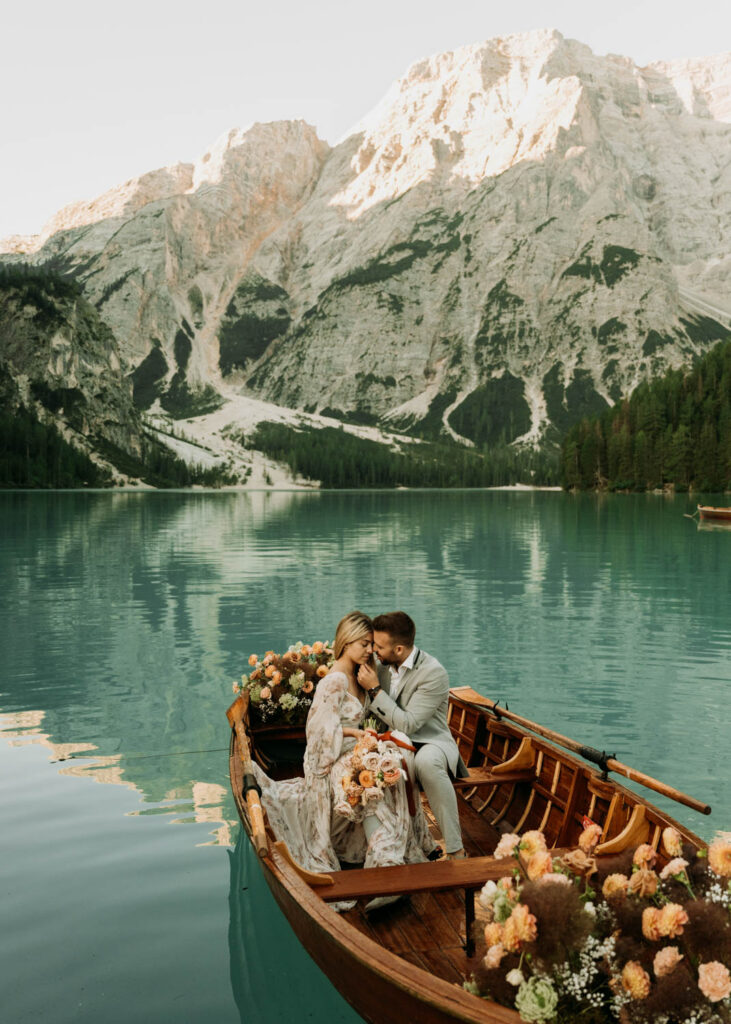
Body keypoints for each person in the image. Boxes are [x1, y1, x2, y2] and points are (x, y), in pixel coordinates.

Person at [251, 611, 435, 911]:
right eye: (364, 643)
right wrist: (351, 732)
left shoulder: (361, 676)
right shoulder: (334, 680)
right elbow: (319, 733)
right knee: (363, 781)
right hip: (331, 757)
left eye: (372, 645)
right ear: (346, 642)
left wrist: (373, 740)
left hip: (354, 750)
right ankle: (386, 866)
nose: (369, 650)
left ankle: (388, 857)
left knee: (393, 768)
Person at [356, 611, 468, 859]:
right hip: (390, 742)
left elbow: (410, 724)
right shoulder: (381, 665)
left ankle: (457, 849)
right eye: (372, 643)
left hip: (430, 741)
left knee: (426, 763)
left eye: (379, 646)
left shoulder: (433, 673)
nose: (374, 650)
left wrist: (374, 689)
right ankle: (394, 847)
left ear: (398, 649)